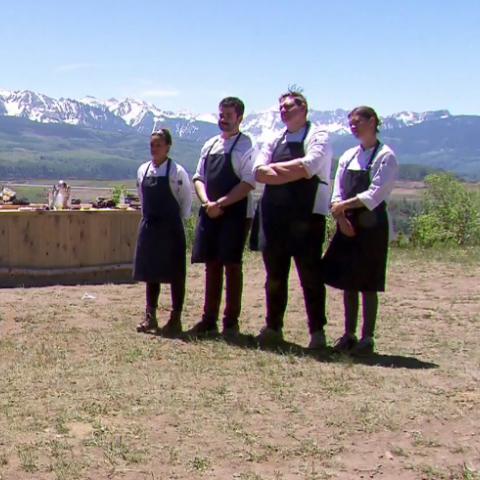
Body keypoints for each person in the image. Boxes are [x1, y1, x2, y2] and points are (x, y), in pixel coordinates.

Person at [252, 90, 333, 348]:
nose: (283, 111)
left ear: (304, 108)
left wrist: (274, 172)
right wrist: (292, 172)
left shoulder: (318, 136)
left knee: (309, 275)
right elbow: (257, 171)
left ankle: (317, 332)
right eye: (281, 108)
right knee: (274, 276)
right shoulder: (274, 138)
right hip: (274, 216)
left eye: (289, 107)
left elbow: (309, 166)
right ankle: (273, 327)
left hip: (306, 216)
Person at [322, 106, 398, 355]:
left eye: (358, 122)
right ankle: (349, 334)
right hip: (348, 221)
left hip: (372, 224)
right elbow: (337, 190)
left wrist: (343, 206)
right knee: (348, 280)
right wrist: (340, 215)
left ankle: (367, 337)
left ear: (373, 121)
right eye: (351, 123)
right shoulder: (348, 155)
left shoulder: (385, 156)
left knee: (369, 280)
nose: (353, 127)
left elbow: (375, 194)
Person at [190, 97, 255, 335]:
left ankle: (231, 322)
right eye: (221, 114)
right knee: (212, 265)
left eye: (228, 115)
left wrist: (222, 203)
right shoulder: (209, 145)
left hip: (235, 213)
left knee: (232, 265)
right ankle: (209, 319)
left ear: (239, 118)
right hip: (210, 211)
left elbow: (249, 182)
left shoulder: (247, 145)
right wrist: (207, 202)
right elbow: (198, 177)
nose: (223, 120)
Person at [133, 129, 192, 336]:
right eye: (152, 145)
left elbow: (186, 201)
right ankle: (150, 316)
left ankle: (175, 318)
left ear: (168, 146)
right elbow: (142, 197)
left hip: (171, 228)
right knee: (151, 273)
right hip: (150, 227)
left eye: (158, 145)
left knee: (175, 273)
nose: (154, 149)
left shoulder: (177, 172)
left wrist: (176, 222)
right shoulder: (143, 170)